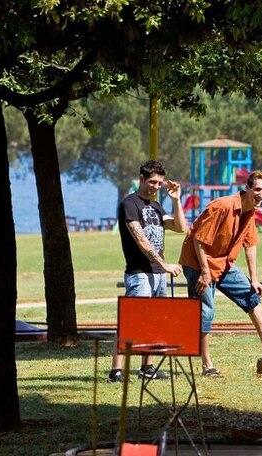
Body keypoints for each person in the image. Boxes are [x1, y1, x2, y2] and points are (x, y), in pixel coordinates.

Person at [178, 170, 262, 376]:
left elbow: (250, 244)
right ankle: (207, 365)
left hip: (223, 261)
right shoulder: (222, 206)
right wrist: (205, 273)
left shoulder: (250, 211)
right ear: (247, 188)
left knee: (251, 295)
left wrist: (254, 279)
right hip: (198, 263)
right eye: (257, 189)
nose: (261, 194)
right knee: (206, 311)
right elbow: (198, 240)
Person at [108, 159, 188, 383]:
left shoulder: (156, 207)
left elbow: (180, 227)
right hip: (140, 273)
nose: (156, 186)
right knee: (132, 320)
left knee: (154, 320)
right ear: (141, 179)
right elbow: (141, 240)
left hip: (158, 274)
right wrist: (165, 264)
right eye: (152, 182)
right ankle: (116, 371)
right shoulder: (130, 204)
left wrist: (176, 200)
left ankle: (147, 367)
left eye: (160, 183)